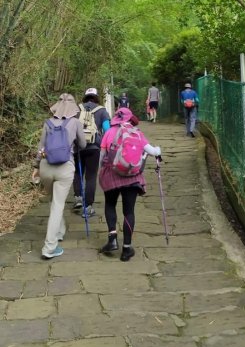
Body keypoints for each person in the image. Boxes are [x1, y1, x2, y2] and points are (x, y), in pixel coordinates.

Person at [99, 108, 161, 261]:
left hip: (111, 175)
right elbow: (152, 151)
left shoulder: (109, 133)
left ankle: (112, 239)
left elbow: (102, 158)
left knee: (110, 205)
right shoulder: (137, 133)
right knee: (129, 212)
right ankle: (127, 248)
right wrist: (159, 150)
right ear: (130, 118)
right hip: (132, 177)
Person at [32, 93, 87, 259]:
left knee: (53, 201)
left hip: (46, 167)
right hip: (65, 168)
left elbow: (41, 147)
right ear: (73, 108)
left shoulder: (47, 123)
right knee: (58, 205)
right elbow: (83, 145)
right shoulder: (75, 122)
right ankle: (49, 247)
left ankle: (60, 231)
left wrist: (35, 167)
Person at [73, 87, 110, 217]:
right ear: (96, 97)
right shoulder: (102, 110)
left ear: (85, 97)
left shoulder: (77, 109)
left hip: (78, 147)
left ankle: (77, 197)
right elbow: (107, 130)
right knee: (91, 177)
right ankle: (88, 207)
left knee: (78, 173)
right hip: (94, 147)